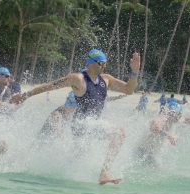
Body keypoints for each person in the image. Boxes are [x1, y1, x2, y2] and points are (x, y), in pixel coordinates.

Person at [12, 48, 141, 184]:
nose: (103, 66)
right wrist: (26, 95)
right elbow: (50, 86)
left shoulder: (106, 79)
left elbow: (129, 90)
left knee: (76, 160)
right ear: (90, 63)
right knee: (119, 133)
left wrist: (134, 72)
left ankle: (89, 172)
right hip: (81, 124)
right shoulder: (78, 79)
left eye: (105, 63)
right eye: (100, 63)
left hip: (94, 123)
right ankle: (103, 173)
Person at [135, 101, 190, 167]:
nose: (178, 117)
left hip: (150, 153)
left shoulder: (175, 118)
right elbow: (154, 127)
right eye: (176, 115)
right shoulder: (162, 118)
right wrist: (168, 135)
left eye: (179, 115)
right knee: (158, 170)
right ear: (170, 113)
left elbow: (188, 120)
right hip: (142, 151)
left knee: (158, 169)